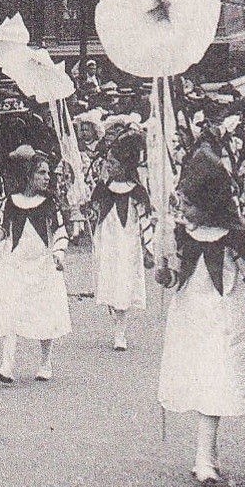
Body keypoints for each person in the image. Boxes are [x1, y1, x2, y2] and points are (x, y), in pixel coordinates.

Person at [155, 153, 245, 487]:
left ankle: (204, 459)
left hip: (225, 318)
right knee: (200, 381)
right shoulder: (183, 236)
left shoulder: (234, 238)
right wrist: (164, 273)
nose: (184, 210)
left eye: (190, 204)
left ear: (209, 204)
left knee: (216, 382)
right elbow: (177, 276)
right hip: (191, 317)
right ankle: (207, 455)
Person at [0, 151, 71, 383]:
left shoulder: (49, 203)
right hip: (16, 264)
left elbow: (60, 232)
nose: (47, 178)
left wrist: (58, 253)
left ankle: (45, 362)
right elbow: (4, 230)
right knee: (11, 309)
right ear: (28, 175)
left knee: (44, 311)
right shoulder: (11, 201)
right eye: (41, 173)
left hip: (43, 264)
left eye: (48, 173)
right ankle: (7, 365)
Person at [88, 133, 154, 352]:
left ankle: (120, 332)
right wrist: (86, 208)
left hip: (127, 243)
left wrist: (149, 248)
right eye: (107, 161)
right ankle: (116, 320)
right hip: (107, 241)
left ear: (125, 165)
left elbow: (145, 221)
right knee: (108, 282)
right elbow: (94, 210)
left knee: (123, 284)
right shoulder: (103, 187)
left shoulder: (137, 191)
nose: (108, 166)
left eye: (113, 163)